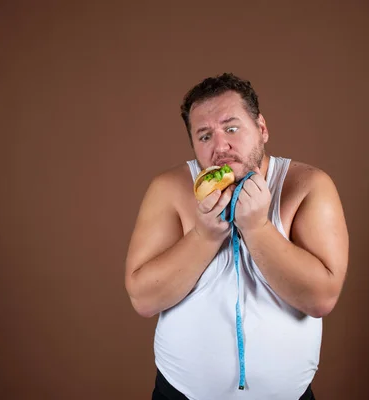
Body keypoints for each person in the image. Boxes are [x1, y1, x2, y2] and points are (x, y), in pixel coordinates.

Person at [124, 73, 349, 400]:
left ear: (261, 129)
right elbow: (143, 299)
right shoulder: (169, 188)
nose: (220, 147)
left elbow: (321, 298)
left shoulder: (308, 186)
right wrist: (203, 236)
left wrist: (258, 228)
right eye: (204, 136)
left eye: (232, 128)